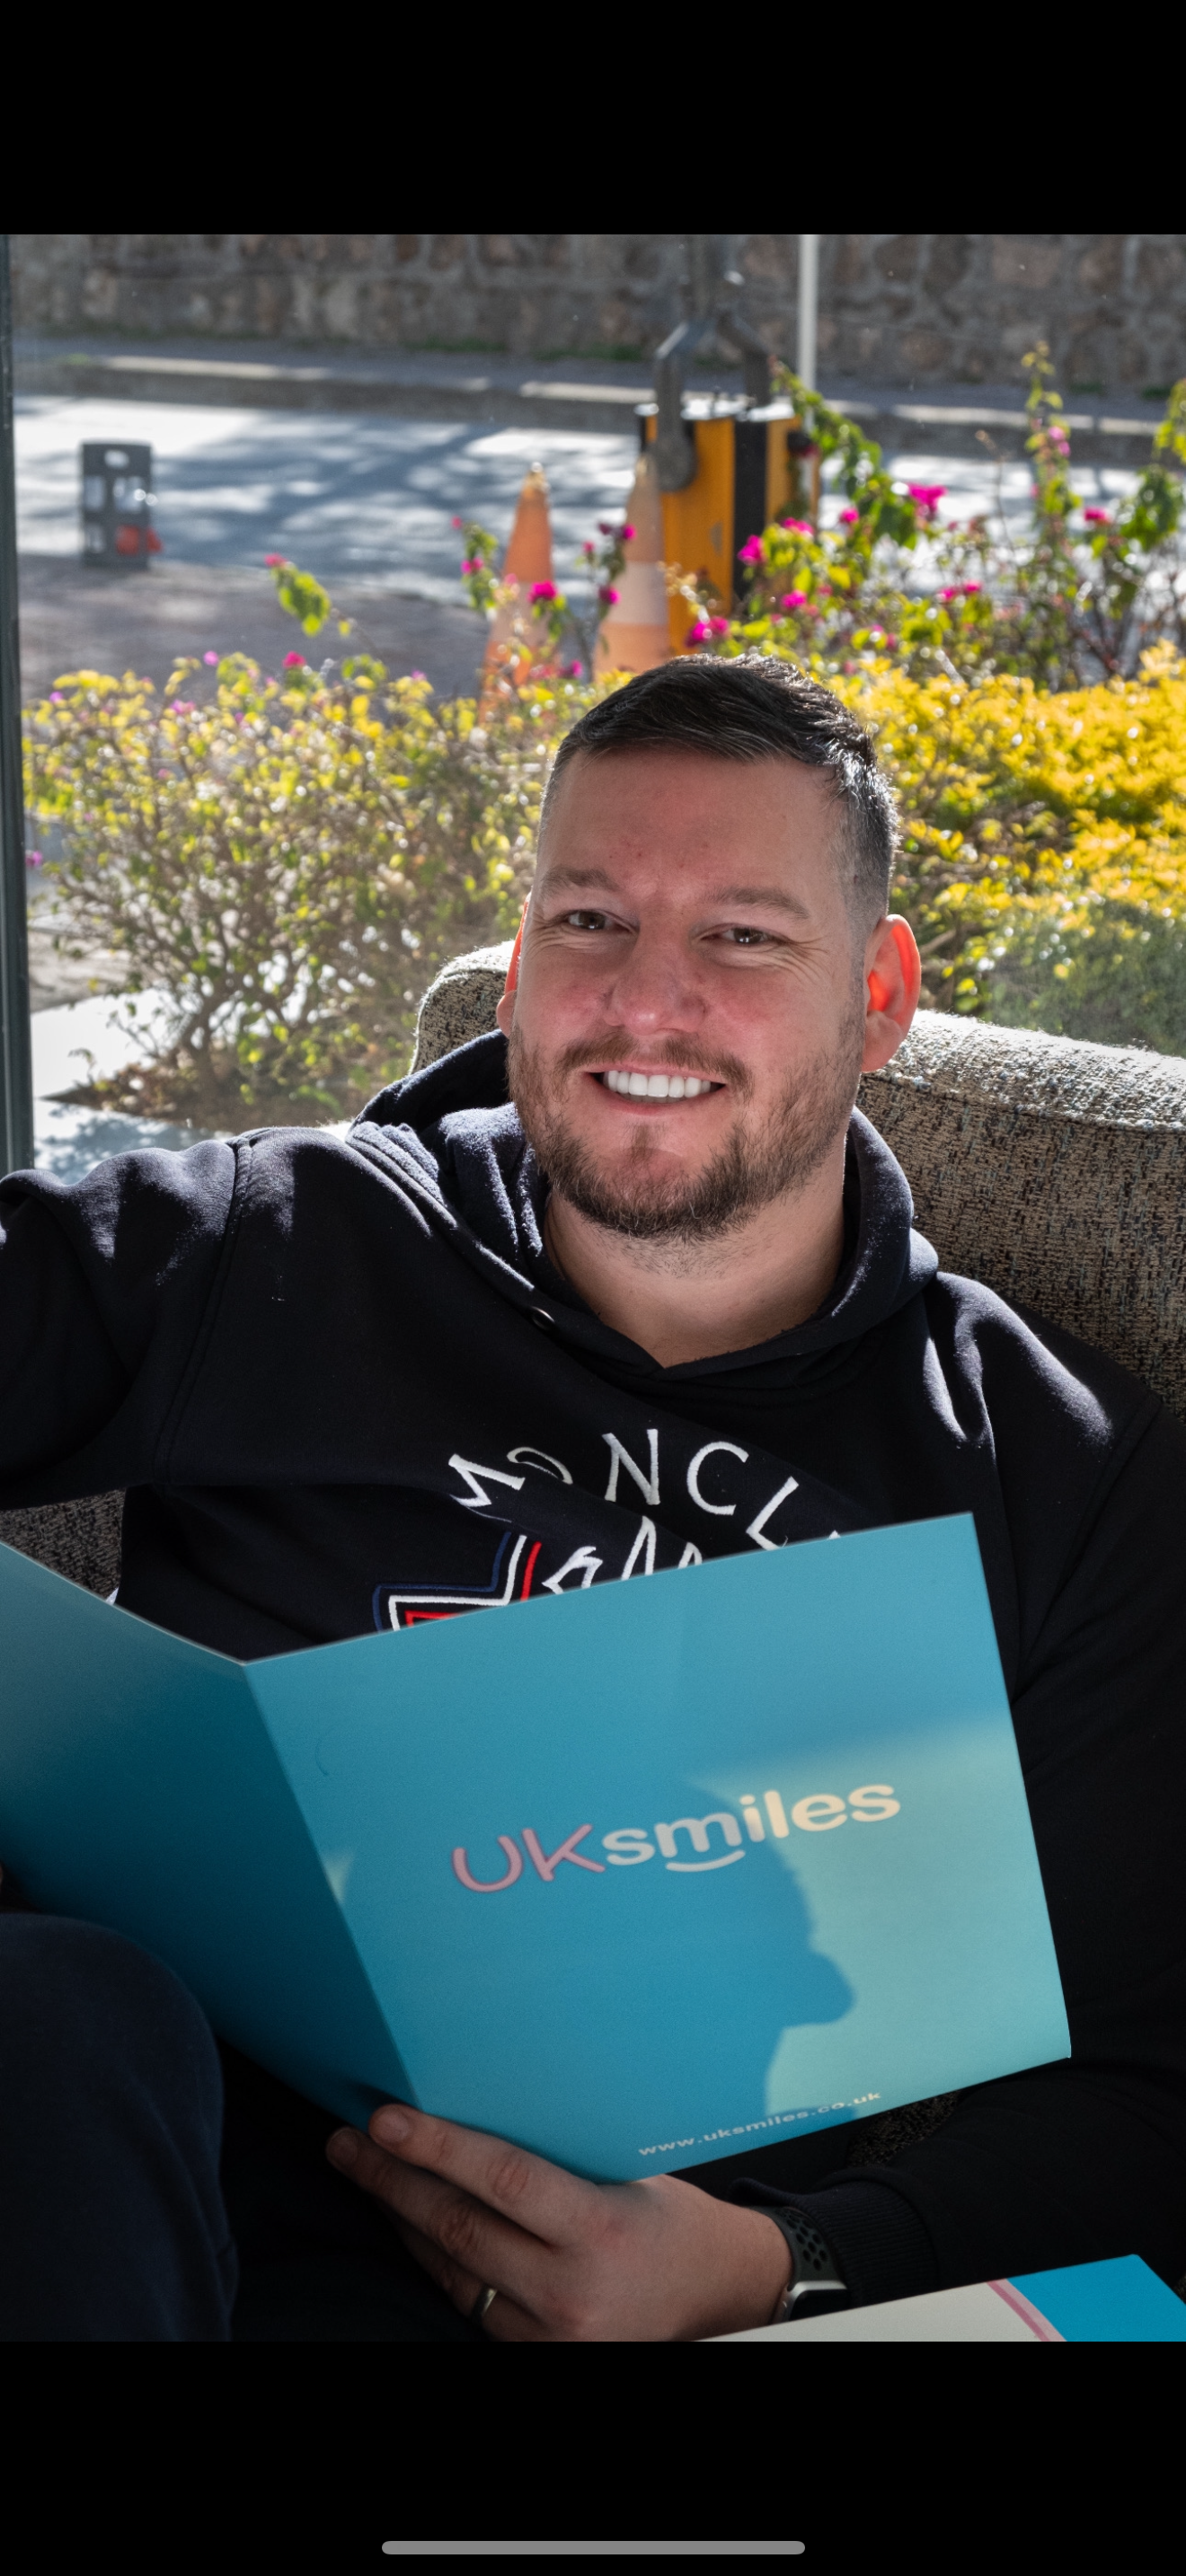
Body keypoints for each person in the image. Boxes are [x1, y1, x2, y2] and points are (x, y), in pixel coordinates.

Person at [2, 655, 1184, 2341]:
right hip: (121, 2159)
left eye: (743, 937)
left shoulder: (1055, 1463)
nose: (645, 1003)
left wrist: (771, 2267)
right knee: (57, 2008)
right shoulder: (284, 1246)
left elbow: (1150, 2096)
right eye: (589, 920)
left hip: (649, 2287)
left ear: (879, 993)